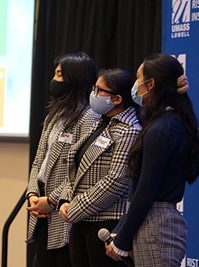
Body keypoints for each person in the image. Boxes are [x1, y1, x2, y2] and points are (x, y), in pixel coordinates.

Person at [105, 53, 199, 266]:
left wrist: (122, 239)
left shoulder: (164, 128)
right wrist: (121, 230)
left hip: (157, 225)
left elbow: (146, 191)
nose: (135, 85)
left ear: (150, 84)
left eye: (138, 78)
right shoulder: (163, 124)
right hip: (150, 223)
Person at [57, 69, 142, 267]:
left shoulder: (130, 130)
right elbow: (75, 167)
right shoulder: (99, 122)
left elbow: (117, 180)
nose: (93, 93)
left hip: (106, 224)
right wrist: (65, 200)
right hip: (80, 222)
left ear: (117, 99)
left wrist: (75, 207)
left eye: (99, 89)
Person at [26, 51, 97, 267]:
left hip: (64, 211)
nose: (54, 81)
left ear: (74, 79)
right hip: (40, 208)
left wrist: (52, 201)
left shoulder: (89, 117)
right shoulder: (54, 115)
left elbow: (82, 171)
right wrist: (32, 193)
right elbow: (39, 159)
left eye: (59, 75)